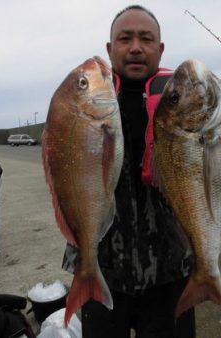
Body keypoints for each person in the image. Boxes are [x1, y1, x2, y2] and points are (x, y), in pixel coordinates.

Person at [62, 5, 196, 338]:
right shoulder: (87, 104)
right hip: (101, 268)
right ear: (110, 49)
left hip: (170, 269)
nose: (135, 47)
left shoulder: (182, 102)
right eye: (125, 38)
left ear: (160, 48)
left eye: (146, 39)